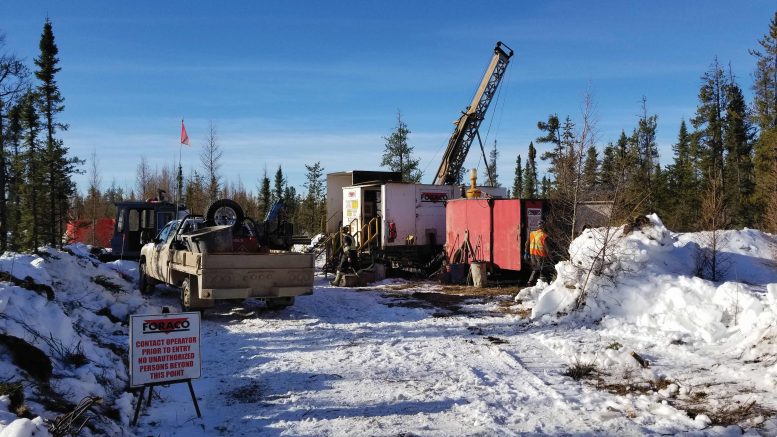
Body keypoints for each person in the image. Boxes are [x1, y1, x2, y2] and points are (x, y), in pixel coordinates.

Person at [524, 220, 550, 286]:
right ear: (543, 226)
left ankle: (530, 282)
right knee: (542, 269)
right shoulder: (544, 235)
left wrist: (526, 252)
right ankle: (543, 284)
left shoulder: (532, 233)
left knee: (535, 268)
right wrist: (550, 256)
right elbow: (547, 248)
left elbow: (527, 244)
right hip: (540, 255)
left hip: (532, 255)